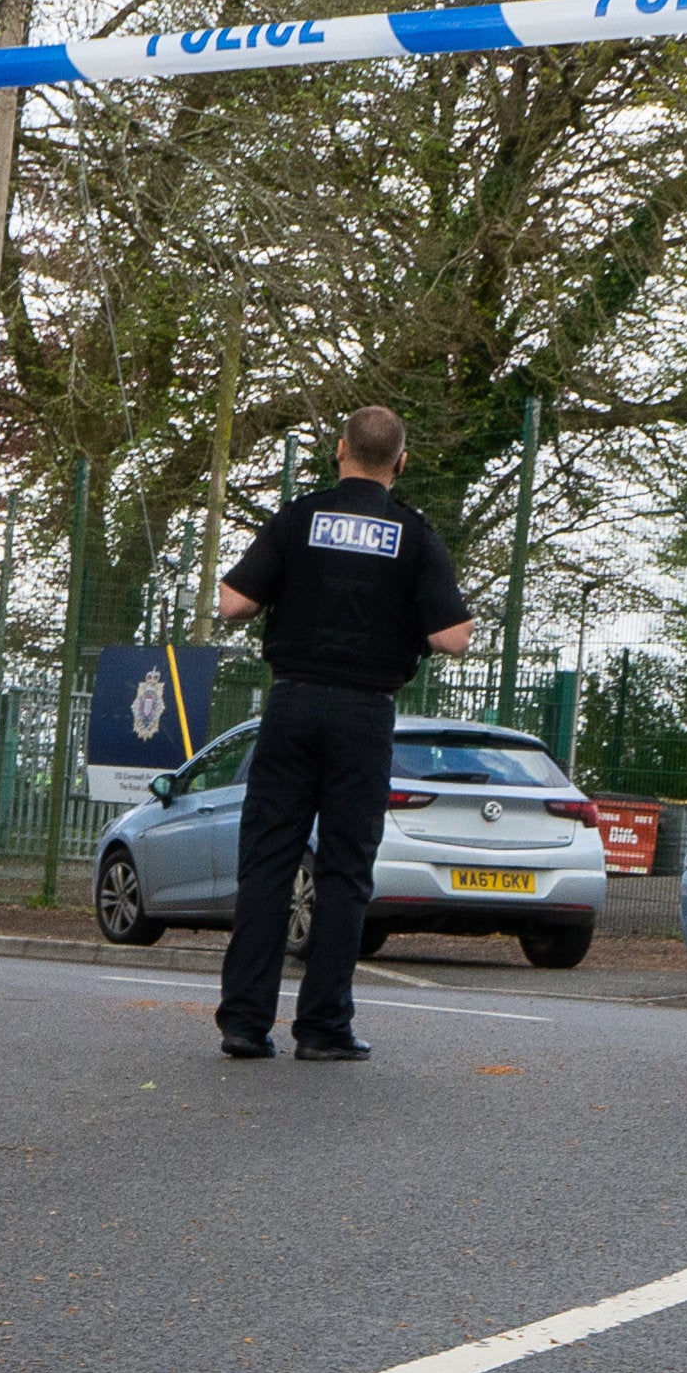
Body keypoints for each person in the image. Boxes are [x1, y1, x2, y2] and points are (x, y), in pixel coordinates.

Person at [210, 405, 477, 1061]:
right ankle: (324, 1026)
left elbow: (232, 602)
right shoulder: (414, 534)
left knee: (269, 860)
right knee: (345, 870)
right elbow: (453, 638)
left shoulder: (299, 518)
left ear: (340, 451)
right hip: (363, 714)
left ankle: (245, 1023)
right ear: (401, 462)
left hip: (293, 704)